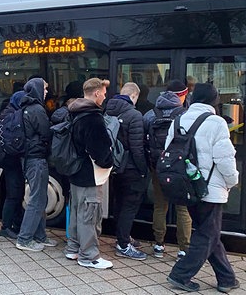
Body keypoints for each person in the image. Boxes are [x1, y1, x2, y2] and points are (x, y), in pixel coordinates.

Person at [166, 83, 240, 293]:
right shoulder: (216, 122)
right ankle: (180, 274)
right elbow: (225, 158)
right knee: (208, 234)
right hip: (211, 189)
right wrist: (232, 180)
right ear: (213, 100)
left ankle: (227, 279)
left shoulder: (178, 119)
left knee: (209, 233)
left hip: (186, 187)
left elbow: (168, 151)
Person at [65, 78, 114, 269]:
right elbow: (100, 151)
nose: (105, 96)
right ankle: (89, 256)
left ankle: (73, 248)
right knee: (89, 215)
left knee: (77, 212)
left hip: (75, 171)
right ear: (96, 93)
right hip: (90, 174)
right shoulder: (92, 117)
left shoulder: (74, 112)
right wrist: (110, 162)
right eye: (103, 92)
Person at [143, 79, 190, 260]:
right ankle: (184, 249)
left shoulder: (150, 114)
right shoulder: (186, 114)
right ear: (182, 95)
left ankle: (158, 245)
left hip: (158, 167)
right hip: (180, 168)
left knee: (160, 206)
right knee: (182, 208)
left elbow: (143, 141)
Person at [105, 82, 148, 260]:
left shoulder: (107, 111)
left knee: (119, 204)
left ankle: (122, 237)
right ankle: (123, 244)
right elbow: (137, 148)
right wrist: (143, 169)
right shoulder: (134, 115)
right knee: (129, 206)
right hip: (130, 167)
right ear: (134, 96)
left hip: (114, 166)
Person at [15, 77, 56, 251]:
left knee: (40, 198)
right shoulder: (37, 109)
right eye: (45, 88)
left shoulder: (24, 106)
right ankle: (24, 239)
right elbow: (46, 133)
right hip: (37, 158)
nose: (46, 92)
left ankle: (40, 236)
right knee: (37, 199)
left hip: (28, 157)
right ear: (38, 90)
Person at [0, 91, 26, 239]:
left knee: (17, 193)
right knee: (13, 194)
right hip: (11, 160)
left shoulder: (9, 111)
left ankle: (16, 223)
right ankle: (6, 226)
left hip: (12, 160)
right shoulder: (11, 115)